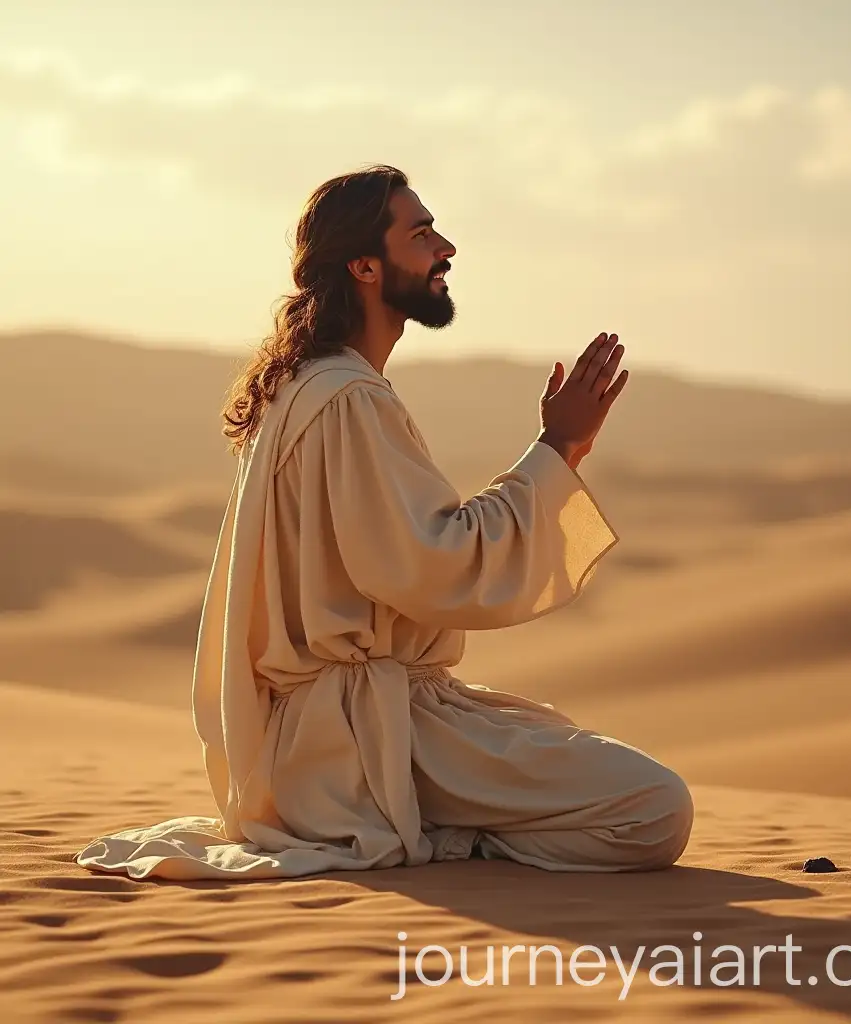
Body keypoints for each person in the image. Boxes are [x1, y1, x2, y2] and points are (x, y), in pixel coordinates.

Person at [76, 165, 694, 880]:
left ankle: (436, 819)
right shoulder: (346, 399)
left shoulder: (313, 388)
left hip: (359, 728)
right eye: (422, 234)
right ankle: (440, 832)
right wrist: (558, 448)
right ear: (365, 266)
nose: (446, 249)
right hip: (363, 739)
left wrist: (559, 452)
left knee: (556, 738)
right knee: (653, 806)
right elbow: (433, 563)